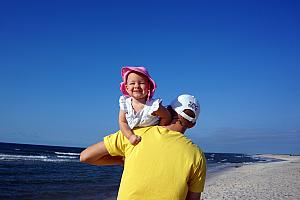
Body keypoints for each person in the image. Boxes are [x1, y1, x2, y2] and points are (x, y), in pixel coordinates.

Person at [80, 94, 206, 200]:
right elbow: (193, 198)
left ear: (168, 110)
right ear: (192, 125)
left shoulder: (135, 134)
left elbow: (86, 156)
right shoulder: (197, 155)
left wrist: (120, 160)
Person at [118, 66, 171, 145]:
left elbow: (167, 116)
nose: (137, 86)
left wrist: (159, 128)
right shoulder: (125, 104)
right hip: (130, 137)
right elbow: (122, 122)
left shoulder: (153, 106)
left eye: (141, 83)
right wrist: (130, 136)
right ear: (126, 88)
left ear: (148, 86)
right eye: (132, 83)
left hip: (150, 139)